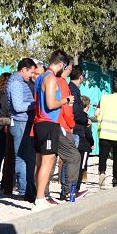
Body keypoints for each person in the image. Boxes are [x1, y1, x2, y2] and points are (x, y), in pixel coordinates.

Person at [30, 51, 79, 207]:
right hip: (48, 122)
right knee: (47, 161)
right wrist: (66, 100)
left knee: (40, 162)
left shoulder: (40, 78)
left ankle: (39, 195)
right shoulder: (50, 79)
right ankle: (40, 198)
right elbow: (51, 104)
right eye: (63, 67)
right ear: (60, 65)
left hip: (39, 123)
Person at [6, 58, 37, 198]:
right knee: (21, 157)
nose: (31, 75)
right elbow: (18, 107)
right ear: (23, 69)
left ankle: (24, 188)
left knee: (22, 156)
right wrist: (35, 106)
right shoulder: (17, 83)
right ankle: (24, 189)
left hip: (21, 122)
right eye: (31, 72)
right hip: (20, 123)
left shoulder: (18, 82)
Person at [95, 78, 117, 188]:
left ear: (111, 88)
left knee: (103, 156)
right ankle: (115, 178)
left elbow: (96, 112)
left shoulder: (104, 98)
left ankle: (102, 172)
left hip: (105, 133)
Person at [66, 65, 90, 200]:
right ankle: (73, 190)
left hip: (72, 127)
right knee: (75, 161)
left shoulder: (70, 88)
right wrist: (85, 118)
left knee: (69, 161)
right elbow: (75, 111)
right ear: (80, 77)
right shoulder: (73, 90)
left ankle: (69, 190)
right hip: (76, 129)